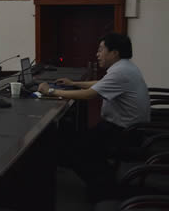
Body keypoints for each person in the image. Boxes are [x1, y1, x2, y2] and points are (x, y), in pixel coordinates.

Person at [37, 33, 150, 201]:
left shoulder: (120, 72)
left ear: (114, 53)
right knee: (76, 139)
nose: (97, 54)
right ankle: (104, 179)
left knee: (73, 148)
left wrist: (51, 91)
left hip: (125, 133)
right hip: (129, 128)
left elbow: (89, 95)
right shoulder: (125, 67)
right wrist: (74, 84)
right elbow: (100, 84)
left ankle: (104, 190)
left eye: (101, 50)